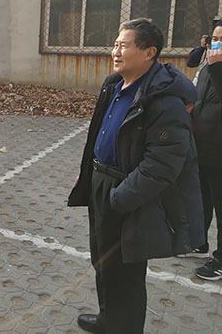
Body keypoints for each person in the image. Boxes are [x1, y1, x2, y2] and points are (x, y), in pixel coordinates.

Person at [68, 18, 204, 334]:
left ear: (148, 52)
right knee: (103, 262)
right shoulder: (115, 85)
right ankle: (108, 319)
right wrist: (87, 174)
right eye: (115, 45)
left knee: (125, 273)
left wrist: (121, 197)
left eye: (124, 46)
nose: (116, 52)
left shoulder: (163, 100)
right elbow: (99, 135)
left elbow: (163, 163)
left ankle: (125, 327)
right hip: (102, 183)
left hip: (128, 193)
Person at [190, 19, 222, 280]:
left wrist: (217, 67)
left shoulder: (216, 69)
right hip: (203, 148)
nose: (216, 44)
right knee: (202, 198)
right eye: (214, 39)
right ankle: (199, 242)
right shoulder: (206, 69)